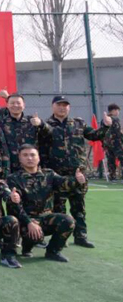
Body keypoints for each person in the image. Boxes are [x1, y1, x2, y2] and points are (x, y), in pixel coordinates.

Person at [41, 95, 110, 247]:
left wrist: (105, 126)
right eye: (59, 105)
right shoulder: (45, 126)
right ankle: (61, 238)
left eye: (65, 105)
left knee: (79, 207)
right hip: (57, 175)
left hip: (78, 174)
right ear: (53, 106)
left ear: (69, 107)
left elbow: (95, 136)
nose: (62, 108)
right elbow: (41, 149)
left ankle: (81, 236)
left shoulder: (79, 123)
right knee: (58, 208)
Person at [6, 144, 85, 262]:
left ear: (38, 158)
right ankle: (27, 247)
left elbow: (63, 183)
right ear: (20, 158)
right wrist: (29, 222)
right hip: (25, 220)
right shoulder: (13, 178)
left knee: (68, 221)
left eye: (33, 155)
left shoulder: (49, 174)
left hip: (45, 219)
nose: (29, 158)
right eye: (25, 155)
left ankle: (53, 251)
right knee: (35, 235)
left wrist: (77, 180)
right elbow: (15, 206)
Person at [0, 93, 50, 174]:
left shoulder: (32, 121)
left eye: (18, 103)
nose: (15, 105)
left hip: (31, 166)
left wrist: (41, 124)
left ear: (24, 105)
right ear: (7, 105)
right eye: (12, 103)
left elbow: (50, 134)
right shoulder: (0, 123)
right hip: (10, 167)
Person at [102, 103, 122, 181]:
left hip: (107, 144)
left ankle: (112, 176)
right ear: (113, 110)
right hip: (116, 143)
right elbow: (118, 132)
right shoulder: (115, 119)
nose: (118, 112)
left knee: (110, 160)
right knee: (121, 158)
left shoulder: (103, 120)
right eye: (117, 110)